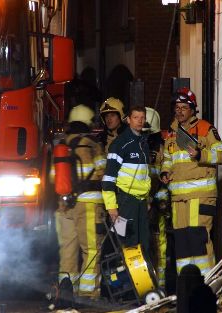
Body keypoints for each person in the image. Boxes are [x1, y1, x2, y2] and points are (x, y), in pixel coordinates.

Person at [160, 87, 222, 276]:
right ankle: (186, 284)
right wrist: (165, 172)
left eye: (183, 107)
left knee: (198, 241)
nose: (179, 111)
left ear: (193, 109)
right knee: (182, 243)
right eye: (177, 107)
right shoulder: (171, 133)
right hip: (179, 198)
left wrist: (200, 154)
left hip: (200, 196)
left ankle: (207, 285)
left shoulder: (205, 128)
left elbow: (220, 154)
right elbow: (167, 159)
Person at [52, 104, 107, 298]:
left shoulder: (61, 146)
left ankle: (66, 293)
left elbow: (53, 178)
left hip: (64, 205)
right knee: (91, 249)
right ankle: (88, 293)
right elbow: (103, 172)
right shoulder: (93, 145)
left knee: (67, 251)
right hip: (89, 204)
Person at [101, 105, 151, 255]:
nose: (139, 121)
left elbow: (144, 175)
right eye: (136, 117)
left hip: (141, 202)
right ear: (128, 120)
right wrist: (111, 207)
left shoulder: (144, 144)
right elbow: (108, 177)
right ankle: (126, 278)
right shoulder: (120, 144)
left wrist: (147, 199)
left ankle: (141, 278)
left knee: (144, 244)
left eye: (142, 118)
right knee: (126, 244)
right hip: (124, 202)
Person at [143, 107, 169, 288]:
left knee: (158, 247)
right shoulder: (138, 147)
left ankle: (158, 287)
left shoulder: (158, 150)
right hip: (144, 206)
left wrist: (158, 201)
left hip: (155, 207)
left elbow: (160, 179)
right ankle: (146, 286)